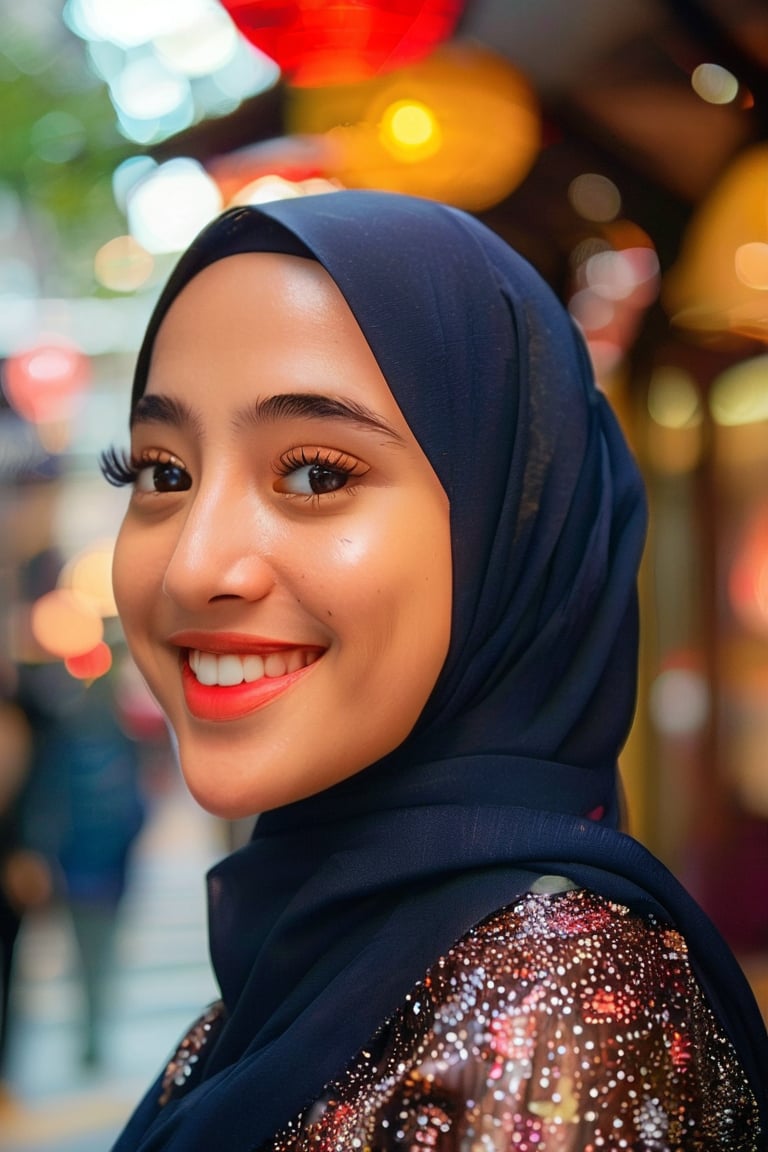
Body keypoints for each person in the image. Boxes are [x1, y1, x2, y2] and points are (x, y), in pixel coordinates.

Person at [101, 191, 766, 1151]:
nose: (195, 566)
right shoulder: (314, 957)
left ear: (508, 534)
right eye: (164, 473)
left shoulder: (551, 1008)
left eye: (315, 474)